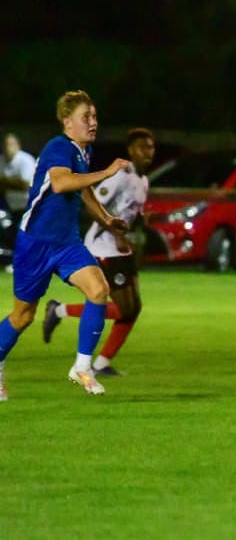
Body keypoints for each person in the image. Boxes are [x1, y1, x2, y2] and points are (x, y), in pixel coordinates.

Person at [0, 90, 130, 401]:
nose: (93, 122)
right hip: (36, 243)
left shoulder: (83, 152)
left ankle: (82, 367)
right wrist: (107, 172)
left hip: (67, 242)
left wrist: (106, 219)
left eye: (95, 116)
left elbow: (82, 190)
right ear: (67, 121)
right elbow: (61, 182)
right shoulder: (58, 146)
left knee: (98, 290)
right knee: (23, 316)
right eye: (86, 117)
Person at [41, 128, 157, 375]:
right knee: (123, 308)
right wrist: (117, 235)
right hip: (104, 247)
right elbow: (94, 207)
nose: (148, 152)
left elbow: (130, 213)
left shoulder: (143, 180)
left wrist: (142, 222)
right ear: (131, 150)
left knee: (133, 308)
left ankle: (101, 364)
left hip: (122, 250)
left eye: (151, 147)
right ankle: (59, 310)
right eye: (143, 147)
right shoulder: (121, 177)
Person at [0, 132, 37, 218]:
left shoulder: (26, 159)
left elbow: (25, 185)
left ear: (18, 145)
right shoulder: (1, 160)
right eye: (5, 145)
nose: (7, 148)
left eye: (10, 144)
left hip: (28, 206)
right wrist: (14, 183)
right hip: (9, 205)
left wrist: (4, 182)